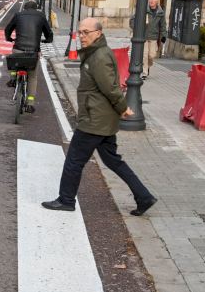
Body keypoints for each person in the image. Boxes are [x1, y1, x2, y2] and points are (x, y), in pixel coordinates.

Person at [42, 17, 156, 216]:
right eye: (80, 32)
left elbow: (110, 88)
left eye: (86, 32)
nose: (82, 36)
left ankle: (66, 200)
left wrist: (123, 108)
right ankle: (144, 197)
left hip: (94, 120)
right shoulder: (96, 52)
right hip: (101, 118)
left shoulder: (99, 56)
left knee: (74, 160)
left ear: (98, 33)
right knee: (113, 161)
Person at [2, 0, 53, 112]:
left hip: (18, 49)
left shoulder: (18, 15)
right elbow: (48, 32)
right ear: (36, 8)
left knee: (14, 60)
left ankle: (13, 79)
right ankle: (30, 103)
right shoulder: (41, 16)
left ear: (25, 8)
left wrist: (9, 38)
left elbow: (8, 29)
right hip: (33, 52)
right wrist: (47, 40)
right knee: (33, 77)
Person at [137, 0, 166, 79]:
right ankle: (144, 72)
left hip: (154, 37)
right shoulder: (144, 10)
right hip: (144, 36)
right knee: (144, 55)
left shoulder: (160, 13)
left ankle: (148, 66)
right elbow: (134, 19)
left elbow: (163, 25)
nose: (151, 1)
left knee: (151, 55)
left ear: (157, 1)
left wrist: (163, 36)